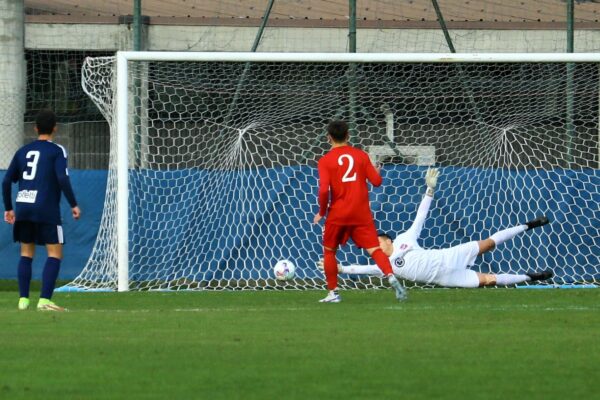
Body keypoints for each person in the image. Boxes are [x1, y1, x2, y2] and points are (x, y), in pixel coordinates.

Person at [322, 168, 553, 288]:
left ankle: (527, 225)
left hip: (449, 256)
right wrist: (340, 269)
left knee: (489, 243)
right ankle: (531, 277)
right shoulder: (384, 266)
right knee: (489, 280)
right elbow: (360, 269)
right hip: (446, 277)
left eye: (378, 240)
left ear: (388, 240)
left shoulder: (405, 239)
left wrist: (429, 190)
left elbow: (420, 217)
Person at [313, 120, 407, 303]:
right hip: (361, 213)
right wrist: (376, 172)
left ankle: (333, 294)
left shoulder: (325, 161)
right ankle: (391, 276)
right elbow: (377, 182)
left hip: (338, 213)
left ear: (329, 138)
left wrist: (322, 212)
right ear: (348, 136)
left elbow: (324, 190)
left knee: (329, 251)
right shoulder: (361, 155)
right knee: (374, 248)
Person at [2, 109, 80, 311]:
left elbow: (7, 180)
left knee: (26, 252)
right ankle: (44, 300)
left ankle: (23, 300)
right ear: (55, 128)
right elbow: (62, 178)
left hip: (24, 206)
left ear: (35, 128)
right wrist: (73, 204)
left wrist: (9, 208)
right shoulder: (57, 151)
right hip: (46, 207)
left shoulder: (22, 151)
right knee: (54, 253)